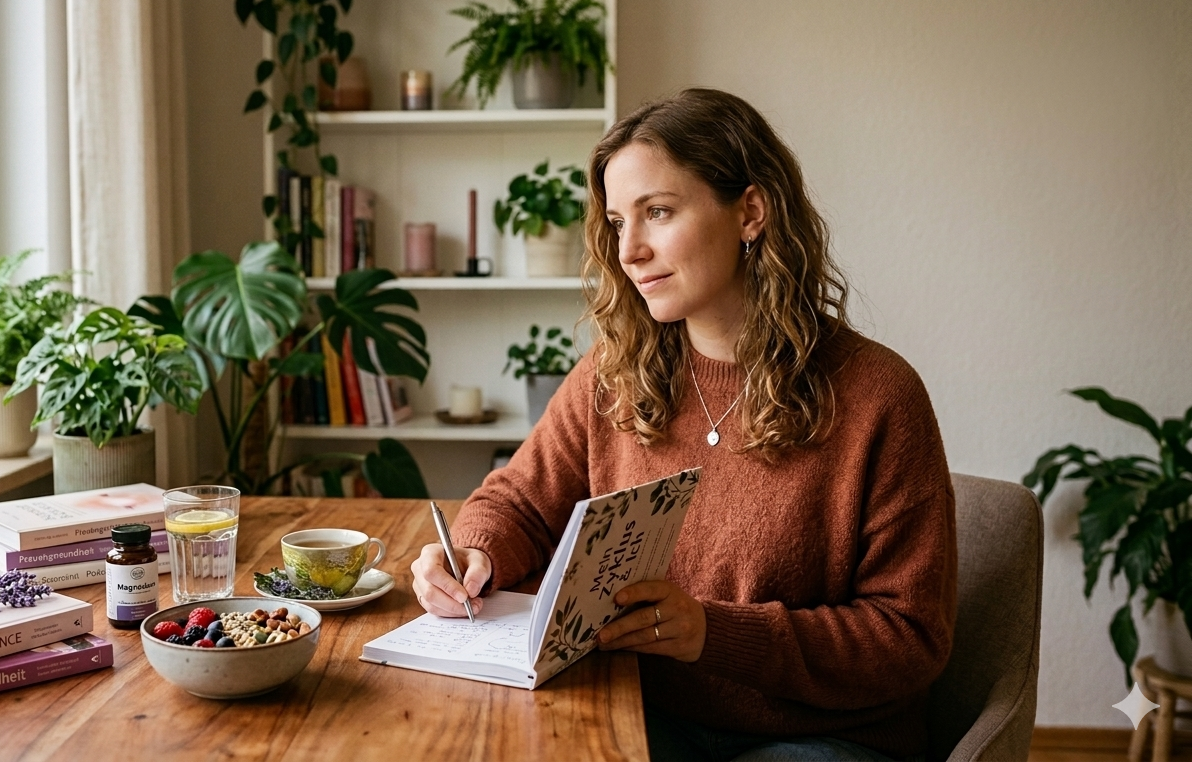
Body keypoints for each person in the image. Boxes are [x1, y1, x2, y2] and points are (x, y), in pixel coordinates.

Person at [410, 88, 956, 762]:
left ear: (750, 212)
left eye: (658, 213)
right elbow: (519, 499)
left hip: (820, 736)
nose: (630, 250)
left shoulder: (879, 396)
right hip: (641, 711)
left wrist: (713, 634)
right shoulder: (618, 371)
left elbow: (908, 637)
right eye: (616, 222)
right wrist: (475, 551)